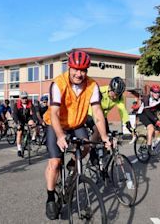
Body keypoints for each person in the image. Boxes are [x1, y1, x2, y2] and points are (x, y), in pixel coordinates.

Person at [43, 50, 111, 220]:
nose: (79, 74)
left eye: (83, 70)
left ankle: (73, 166)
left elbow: (96, 112)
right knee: (55, 162)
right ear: (69, 67)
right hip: (56, 124)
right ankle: (51, 197)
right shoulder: (58, 83)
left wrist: (104, 137)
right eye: (76, 70)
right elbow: (54, 113)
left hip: (77, 123)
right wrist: (60, 136)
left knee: (87, 145)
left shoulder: (92, 85)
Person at [85, 76, 135, 164]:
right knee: (98, 131)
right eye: (114, 93)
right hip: (90, 114)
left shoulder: (119, 97)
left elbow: (122, 111)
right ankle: (92, 152)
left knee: (109, 138)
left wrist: (129, 127)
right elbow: (95, 109)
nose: (115, 97)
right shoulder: (100, 91)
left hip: (102, 117)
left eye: (118, 94)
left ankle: (104, 165)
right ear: (109, 88)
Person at [12, 91, 40, 157]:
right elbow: (15, 115)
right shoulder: (16, 105)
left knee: (33, 125)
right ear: (20, 98)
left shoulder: (30, 104)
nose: (24, 99)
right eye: (23, 98)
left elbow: (34, 113)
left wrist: (36, 121)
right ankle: (19, 149)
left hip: (27, 118)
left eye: (25, 98)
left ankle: (33, 139)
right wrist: (17, 123)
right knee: (19, 133)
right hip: (20, 119)